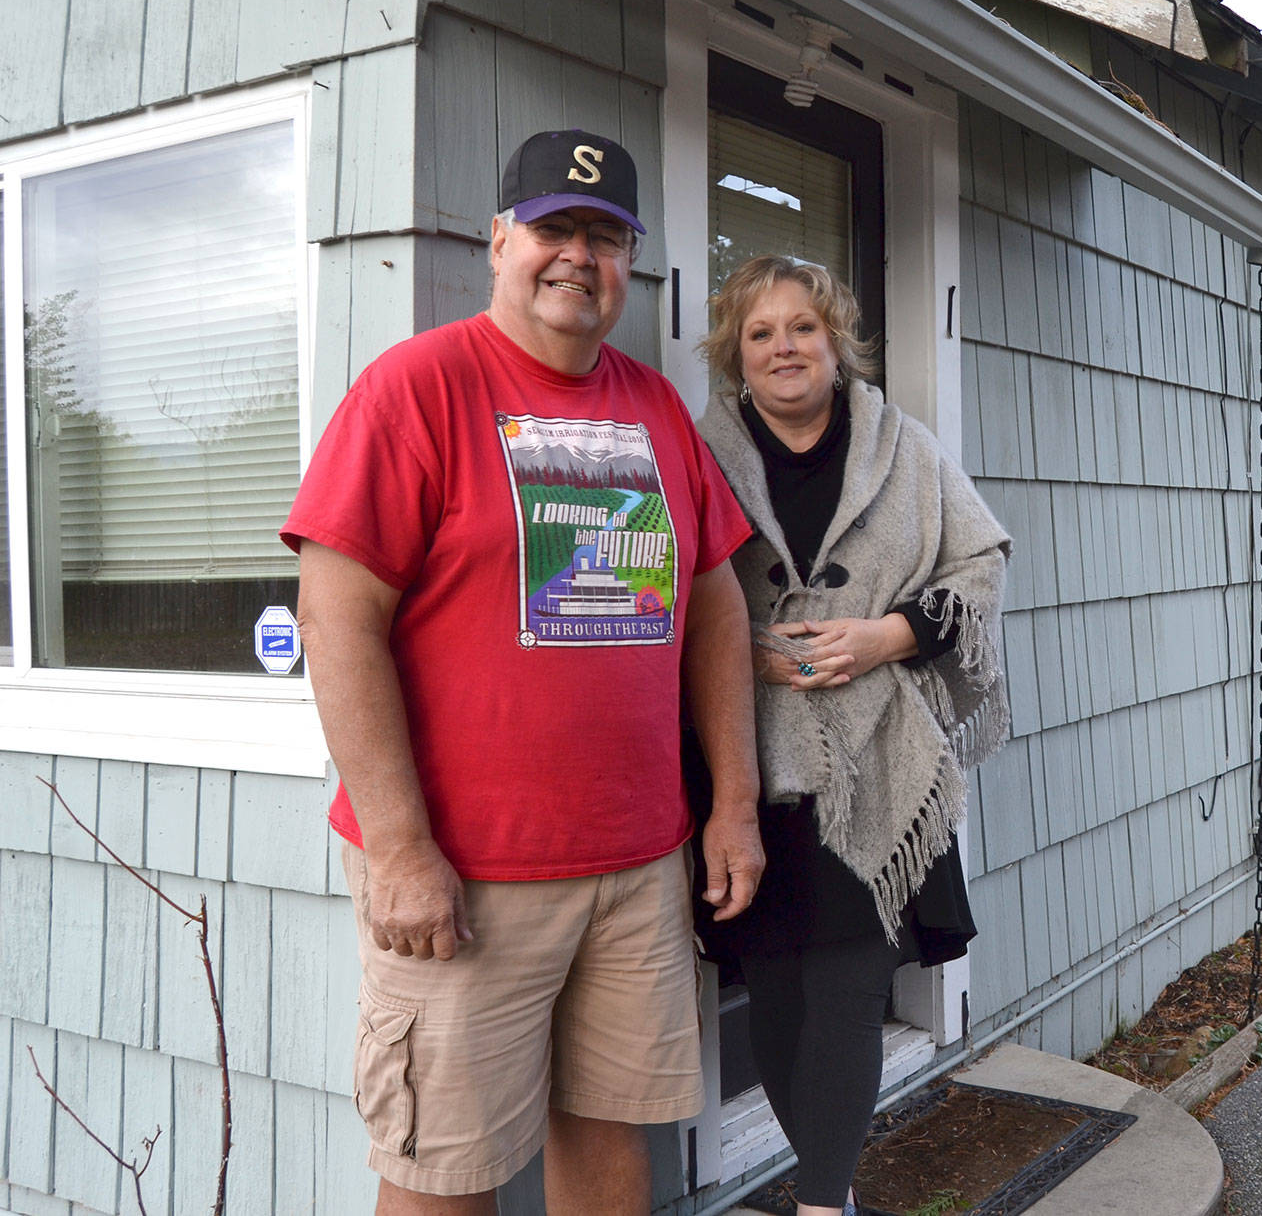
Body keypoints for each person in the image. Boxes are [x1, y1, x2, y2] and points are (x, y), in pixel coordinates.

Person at [284, 130, 765, 1215]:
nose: (577, 257)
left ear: (627, 263)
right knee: (443, 1172)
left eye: (605, 237)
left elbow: (716, 605)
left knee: (609, 1141)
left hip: (637, 866)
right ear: (498, 239)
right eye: (554, 228)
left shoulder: (653, 410)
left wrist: (729, 805)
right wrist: (401, 846)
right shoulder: (417, 389)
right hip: (466, 875)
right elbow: (336, 615)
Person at [697, 256, 1010, 1216]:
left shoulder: (904, 449)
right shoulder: (697, 451)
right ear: (736, 355)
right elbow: (662, 584)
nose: (784, 346)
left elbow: (980, 564)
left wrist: (887, 635)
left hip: (878, 762)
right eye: (761, 333)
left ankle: (823, 1203)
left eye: (803, 328)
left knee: (843, 1000)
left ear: (836, 343)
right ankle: (825, 1195)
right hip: (747, 768)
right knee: (778, 1003)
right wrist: (734, 649)